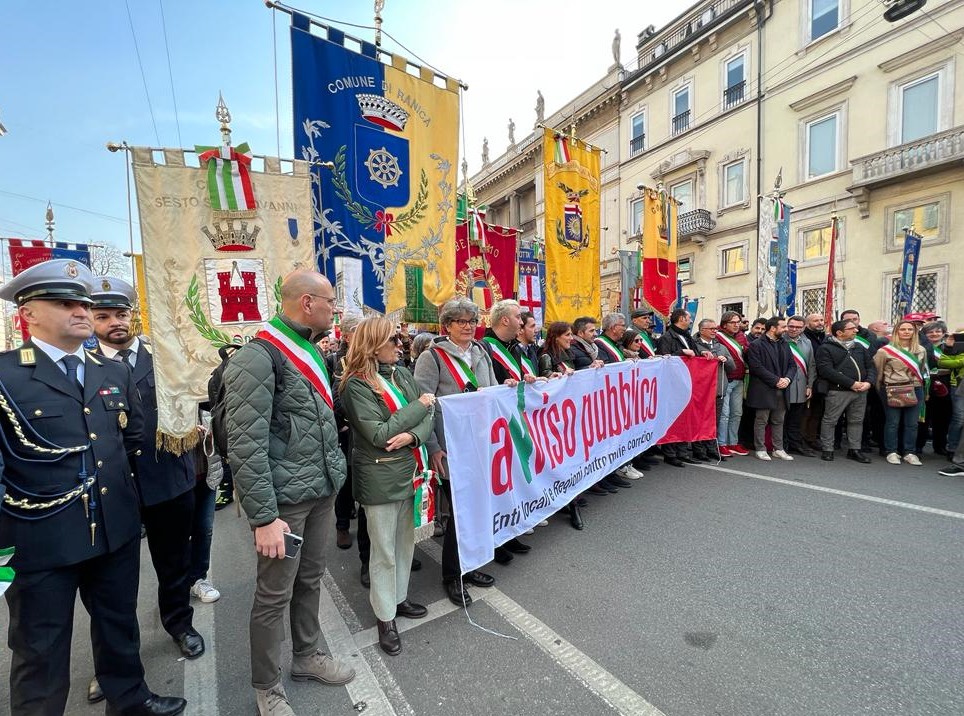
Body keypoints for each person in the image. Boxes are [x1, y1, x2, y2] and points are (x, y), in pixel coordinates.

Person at [0, 260, 186, 716]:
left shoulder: (112, 372)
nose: (82, 311)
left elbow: (129, 444)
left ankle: (130, 701)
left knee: (119, 627)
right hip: (40, 540)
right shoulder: (7, 376)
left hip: (114, 529)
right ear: (28, 314)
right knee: (40, 652)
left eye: (84, 303)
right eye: (66, 303)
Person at [223, 270, 355, 716]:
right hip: (285, 503)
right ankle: (267, 686)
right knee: (273, 596)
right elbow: (245, 443)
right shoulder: (259, 357)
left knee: (310, 579)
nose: (335, 309)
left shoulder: (310, 350)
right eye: (330, 302)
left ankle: (307, 657)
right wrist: (263, 517)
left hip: (319, 490)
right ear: (305, 303)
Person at [91, 278, 205, 661]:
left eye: (121, 314)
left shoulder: (166, 361)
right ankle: (117, 658)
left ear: (133, 316)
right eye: (103, 316)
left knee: (174, 563)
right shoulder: (84, 368)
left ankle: (179, 624)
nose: (115, 323)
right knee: (112, 581)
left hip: (168, 478)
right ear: (91, 320)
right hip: (115, 488)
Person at [340, 317, 434, 655]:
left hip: (409, 469)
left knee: (405, 544)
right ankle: (385, 617)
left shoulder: (402, 373)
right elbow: (379, 434)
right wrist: (420, 406)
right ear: (372, 344)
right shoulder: (356, 384)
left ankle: (399, 598)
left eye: (399, 339)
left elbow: (427, 418)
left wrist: (412, 433)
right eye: (392, 339)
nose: (399, 344)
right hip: (379, 477)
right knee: (384, 553)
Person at [413, 297, 498, 607]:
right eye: (460, 321)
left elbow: (491, 392)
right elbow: (422, 407)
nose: (467, 326)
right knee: (460, 512)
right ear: (446, 326)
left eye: (471, 321)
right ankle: (453, 575)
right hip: (450, 447)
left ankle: (469, 565)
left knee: (475, 508)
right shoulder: (432, 357)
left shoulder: (480, 352)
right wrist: (433, 447)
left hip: (480, 443)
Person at [481, 300, 537, 555]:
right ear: (505, 320)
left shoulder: (514, 347)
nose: (521, 321)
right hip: (494, 424)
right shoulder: (484, 347)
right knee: (498, 480)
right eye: (517, 317)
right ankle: (497, 538)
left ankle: (511, 529)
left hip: (514, 417)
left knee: (513, 476)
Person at [815, 319, 876, 463]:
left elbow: (871, 367)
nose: (856, 330)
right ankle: (827, 449)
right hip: (838, 391)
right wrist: (852, 383)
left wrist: (869, 382)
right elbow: (826, 370)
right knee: (830, 420)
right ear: (839, 333)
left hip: (861, 390)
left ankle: (854, 449)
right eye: (851, 328)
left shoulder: (859, 347)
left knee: (856, 421)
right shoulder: (826, 348)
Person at [873, 320, 926, 466]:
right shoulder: (884, 351)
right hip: (892, 388)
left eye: (910, 329)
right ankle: (891, 451)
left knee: (912, 423)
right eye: (903, 329)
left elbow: (921, 370)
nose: (907, 332)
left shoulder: (921, 350)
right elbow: (878, 373)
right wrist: (881, 391)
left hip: (915, 388)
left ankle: (910, 452)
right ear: (896, 332)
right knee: (893, 422)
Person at [746, 317, 796, 461]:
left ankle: (778, 449)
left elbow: (792, 365)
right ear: (773, 328)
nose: (786, 329)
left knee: (779, 420)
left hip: (783, 387)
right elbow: (756, 367)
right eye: (783, 326)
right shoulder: (756, 344)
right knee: (761, 419)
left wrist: (787, 379)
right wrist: (776, 380)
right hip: (764, 388)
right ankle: (760, 449)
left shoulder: (784, 344)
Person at [657, 309, 699, 466]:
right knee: (673, 419)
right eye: (688, 318)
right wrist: (681, 351)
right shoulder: (666, 338)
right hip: (673, 384)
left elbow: (695, 354)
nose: (690, 320)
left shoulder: (687, 336)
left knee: (685, 419)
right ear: (681, 318)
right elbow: (664, 360)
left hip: (686, 382)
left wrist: (704, 353)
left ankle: (683, 452)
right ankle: (670, 453)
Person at [693, 319, 733, 460]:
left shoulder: (721, 347)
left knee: (714, 422)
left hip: (718, 390)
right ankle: (699, 449)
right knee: (700, 421)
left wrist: (725, 360)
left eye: (715, 328)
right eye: (711, 329)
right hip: (702, 391)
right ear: (702, 330)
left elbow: (732, 366)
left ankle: (711, 448)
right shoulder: (694, 346)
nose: (714, 331)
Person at [917, 321, 954, 457]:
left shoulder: (949, 347)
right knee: (923, 418)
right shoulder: (921, 347)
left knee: (943, 418)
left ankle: (940, 446)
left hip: (944, 384)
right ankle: (918, 445)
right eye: (930, 332)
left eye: (938, 331)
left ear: (943, 333)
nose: (934, 334)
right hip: (925, 384)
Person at [716, 310, 749, 456]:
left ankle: (733, 442)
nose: (736, 325)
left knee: (737, 413)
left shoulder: (742, 336)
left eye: (738, 322)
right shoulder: (718, 336)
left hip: (740, 379)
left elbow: (746, 352)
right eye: (733, 322)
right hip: (725, 379)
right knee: (725, 414)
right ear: (724, 324)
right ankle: (721, 443)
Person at [783, 315, 817, 457]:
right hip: (785, 385)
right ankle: (783, 444)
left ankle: (795, 444)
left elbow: (811, 365)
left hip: (801, 386)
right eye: (791, 326)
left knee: (796, 418)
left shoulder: (807, 342)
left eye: (798, 327)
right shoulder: (781, 341)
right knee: (783, 418)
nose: (794, 329)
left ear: (803, 328)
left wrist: (809, 385)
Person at [516, 311, 540, 376]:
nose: (536, 330)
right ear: (520, 329)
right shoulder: (512, 351)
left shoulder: (532, 350)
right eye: (532, 326)